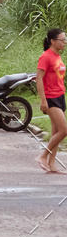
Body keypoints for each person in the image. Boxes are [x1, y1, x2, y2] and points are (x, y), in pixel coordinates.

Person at [37, 28, 67, 173]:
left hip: (60, 96)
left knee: (56, 131)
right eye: (62, 40)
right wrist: (43, 101)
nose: (65, 42)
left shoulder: (57, 56)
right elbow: (39, 79)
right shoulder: (46, 57)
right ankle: (43, 156)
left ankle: (52, 164)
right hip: (51, 98)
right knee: (64, 130)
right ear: (53, 41)